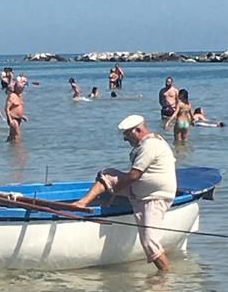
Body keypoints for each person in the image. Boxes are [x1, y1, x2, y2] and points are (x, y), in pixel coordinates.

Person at [75, 115, 177, 272]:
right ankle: (83, 203)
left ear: (138, 130)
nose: (125, 139)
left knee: (150, 242)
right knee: (106, 175)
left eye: (127, 134)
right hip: (140, 192)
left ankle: (165, 277)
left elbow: (134, 175)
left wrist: (115, 190)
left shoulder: (150, 145)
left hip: (153, 198)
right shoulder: (149, 142)